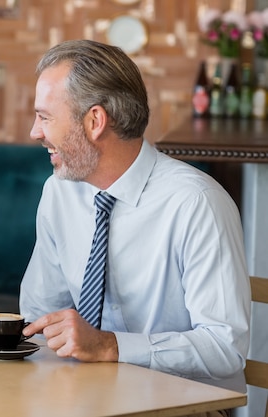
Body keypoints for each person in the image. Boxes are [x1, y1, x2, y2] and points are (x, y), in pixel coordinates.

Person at [19, 39, 251, 399]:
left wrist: (111, 347)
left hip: (181, 405)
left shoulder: (197, 203)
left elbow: (225, 349)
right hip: (84, 396)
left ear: (95, 121)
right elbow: (40, 315)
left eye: (45, 117)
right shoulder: (59, 192)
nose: (35, 132)